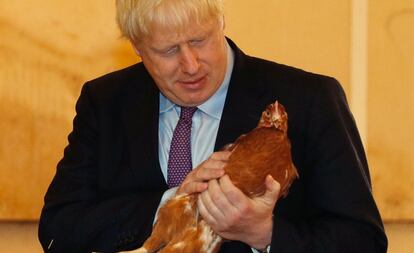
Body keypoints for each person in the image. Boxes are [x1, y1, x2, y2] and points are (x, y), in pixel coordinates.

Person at [38, 0, 388, 252]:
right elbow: (59, 228)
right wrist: (174, 203)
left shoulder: (309, 99)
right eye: (168, 50)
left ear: (221, 21)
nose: (190, 64)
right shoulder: (105, 102)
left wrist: (263, 234)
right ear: (138, 48)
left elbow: (363, 240)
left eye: (200, 41)